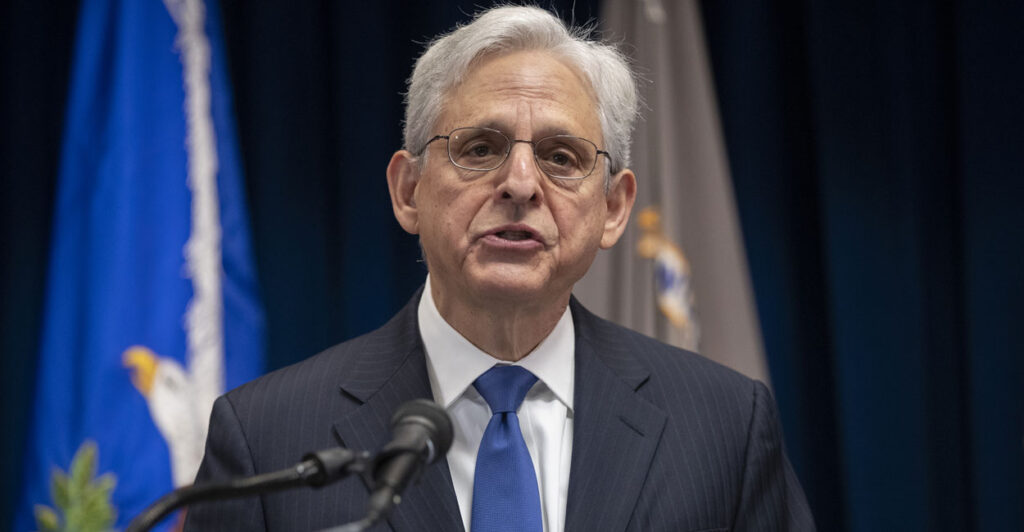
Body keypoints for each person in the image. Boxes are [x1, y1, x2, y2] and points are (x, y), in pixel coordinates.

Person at [184, 6, 814, 531]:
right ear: (408, 191)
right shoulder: (266, 436)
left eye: (561, 156)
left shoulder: (725, 428)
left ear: (614, 209)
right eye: (479, 148)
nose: (520, 184)